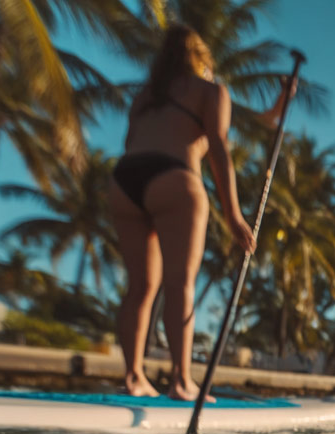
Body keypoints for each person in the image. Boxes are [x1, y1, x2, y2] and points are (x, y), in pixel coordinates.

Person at [110, 25, 293, 399]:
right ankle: (180, 381)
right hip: (174, 178)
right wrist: (234, 217)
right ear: (201, 60)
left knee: (140, 286)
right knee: (180, 283)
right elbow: (220, 147)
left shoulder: (147, 95)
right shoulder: (211, 90)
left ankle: (133, 378)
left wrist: (278, 108)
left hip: (124, 181)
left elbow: (132, 142)